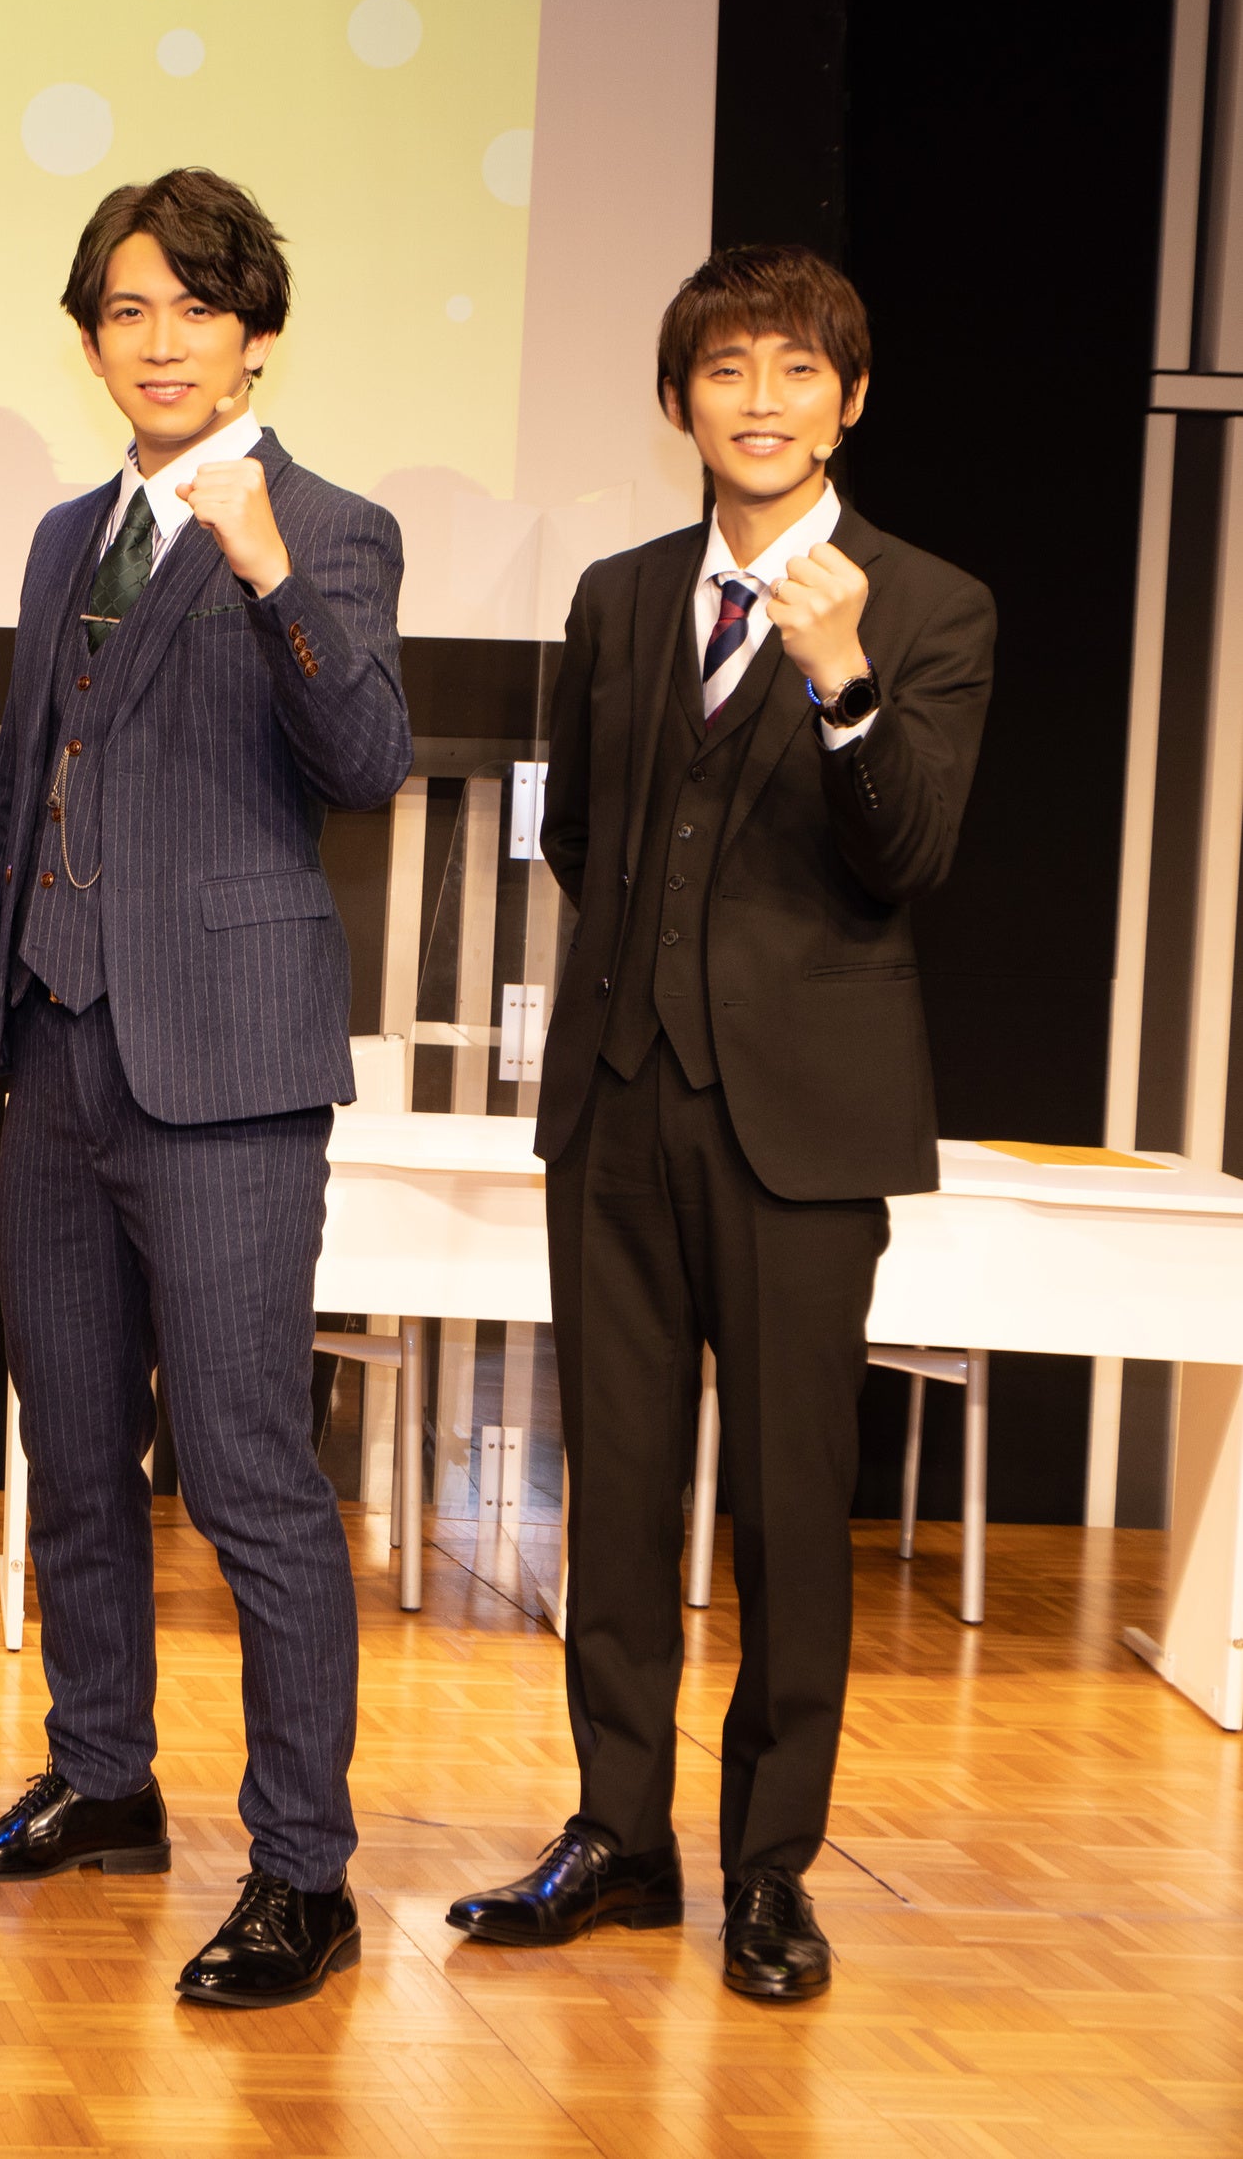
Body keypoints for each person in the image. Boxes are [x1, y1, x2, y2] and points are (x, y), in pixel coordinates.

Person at [447, 246, 992, 2003]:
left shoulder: (928, 605)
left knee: (788, 1501)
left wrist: (842, 687)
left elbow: (908, 851)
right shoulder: (618, 598)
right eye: (728, 368)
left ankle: (771, 1866)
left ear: (852, 398)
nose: (761, 399)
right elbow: (579, 834)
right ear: (677, 398)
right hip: (617, 1106)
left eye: (796, 369)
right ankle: (619, 1831)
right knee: (612, 1491)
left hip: (804, 1128)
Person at [0, 168, 410, 2009]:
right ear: (91, 340)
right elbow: (21, 792)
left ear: (255, 333)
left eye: (197, 306)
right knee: (73, 1453)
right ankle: (102, 1776)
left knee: (253, 1474)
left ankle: (303, 1869)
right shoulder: (66, 537)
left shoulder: (331, 527)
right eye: (128, 310)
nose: (163, 339)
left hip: (230, 1073)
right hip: (55, 1049)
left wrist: (270, 571)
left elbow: (368, 754)